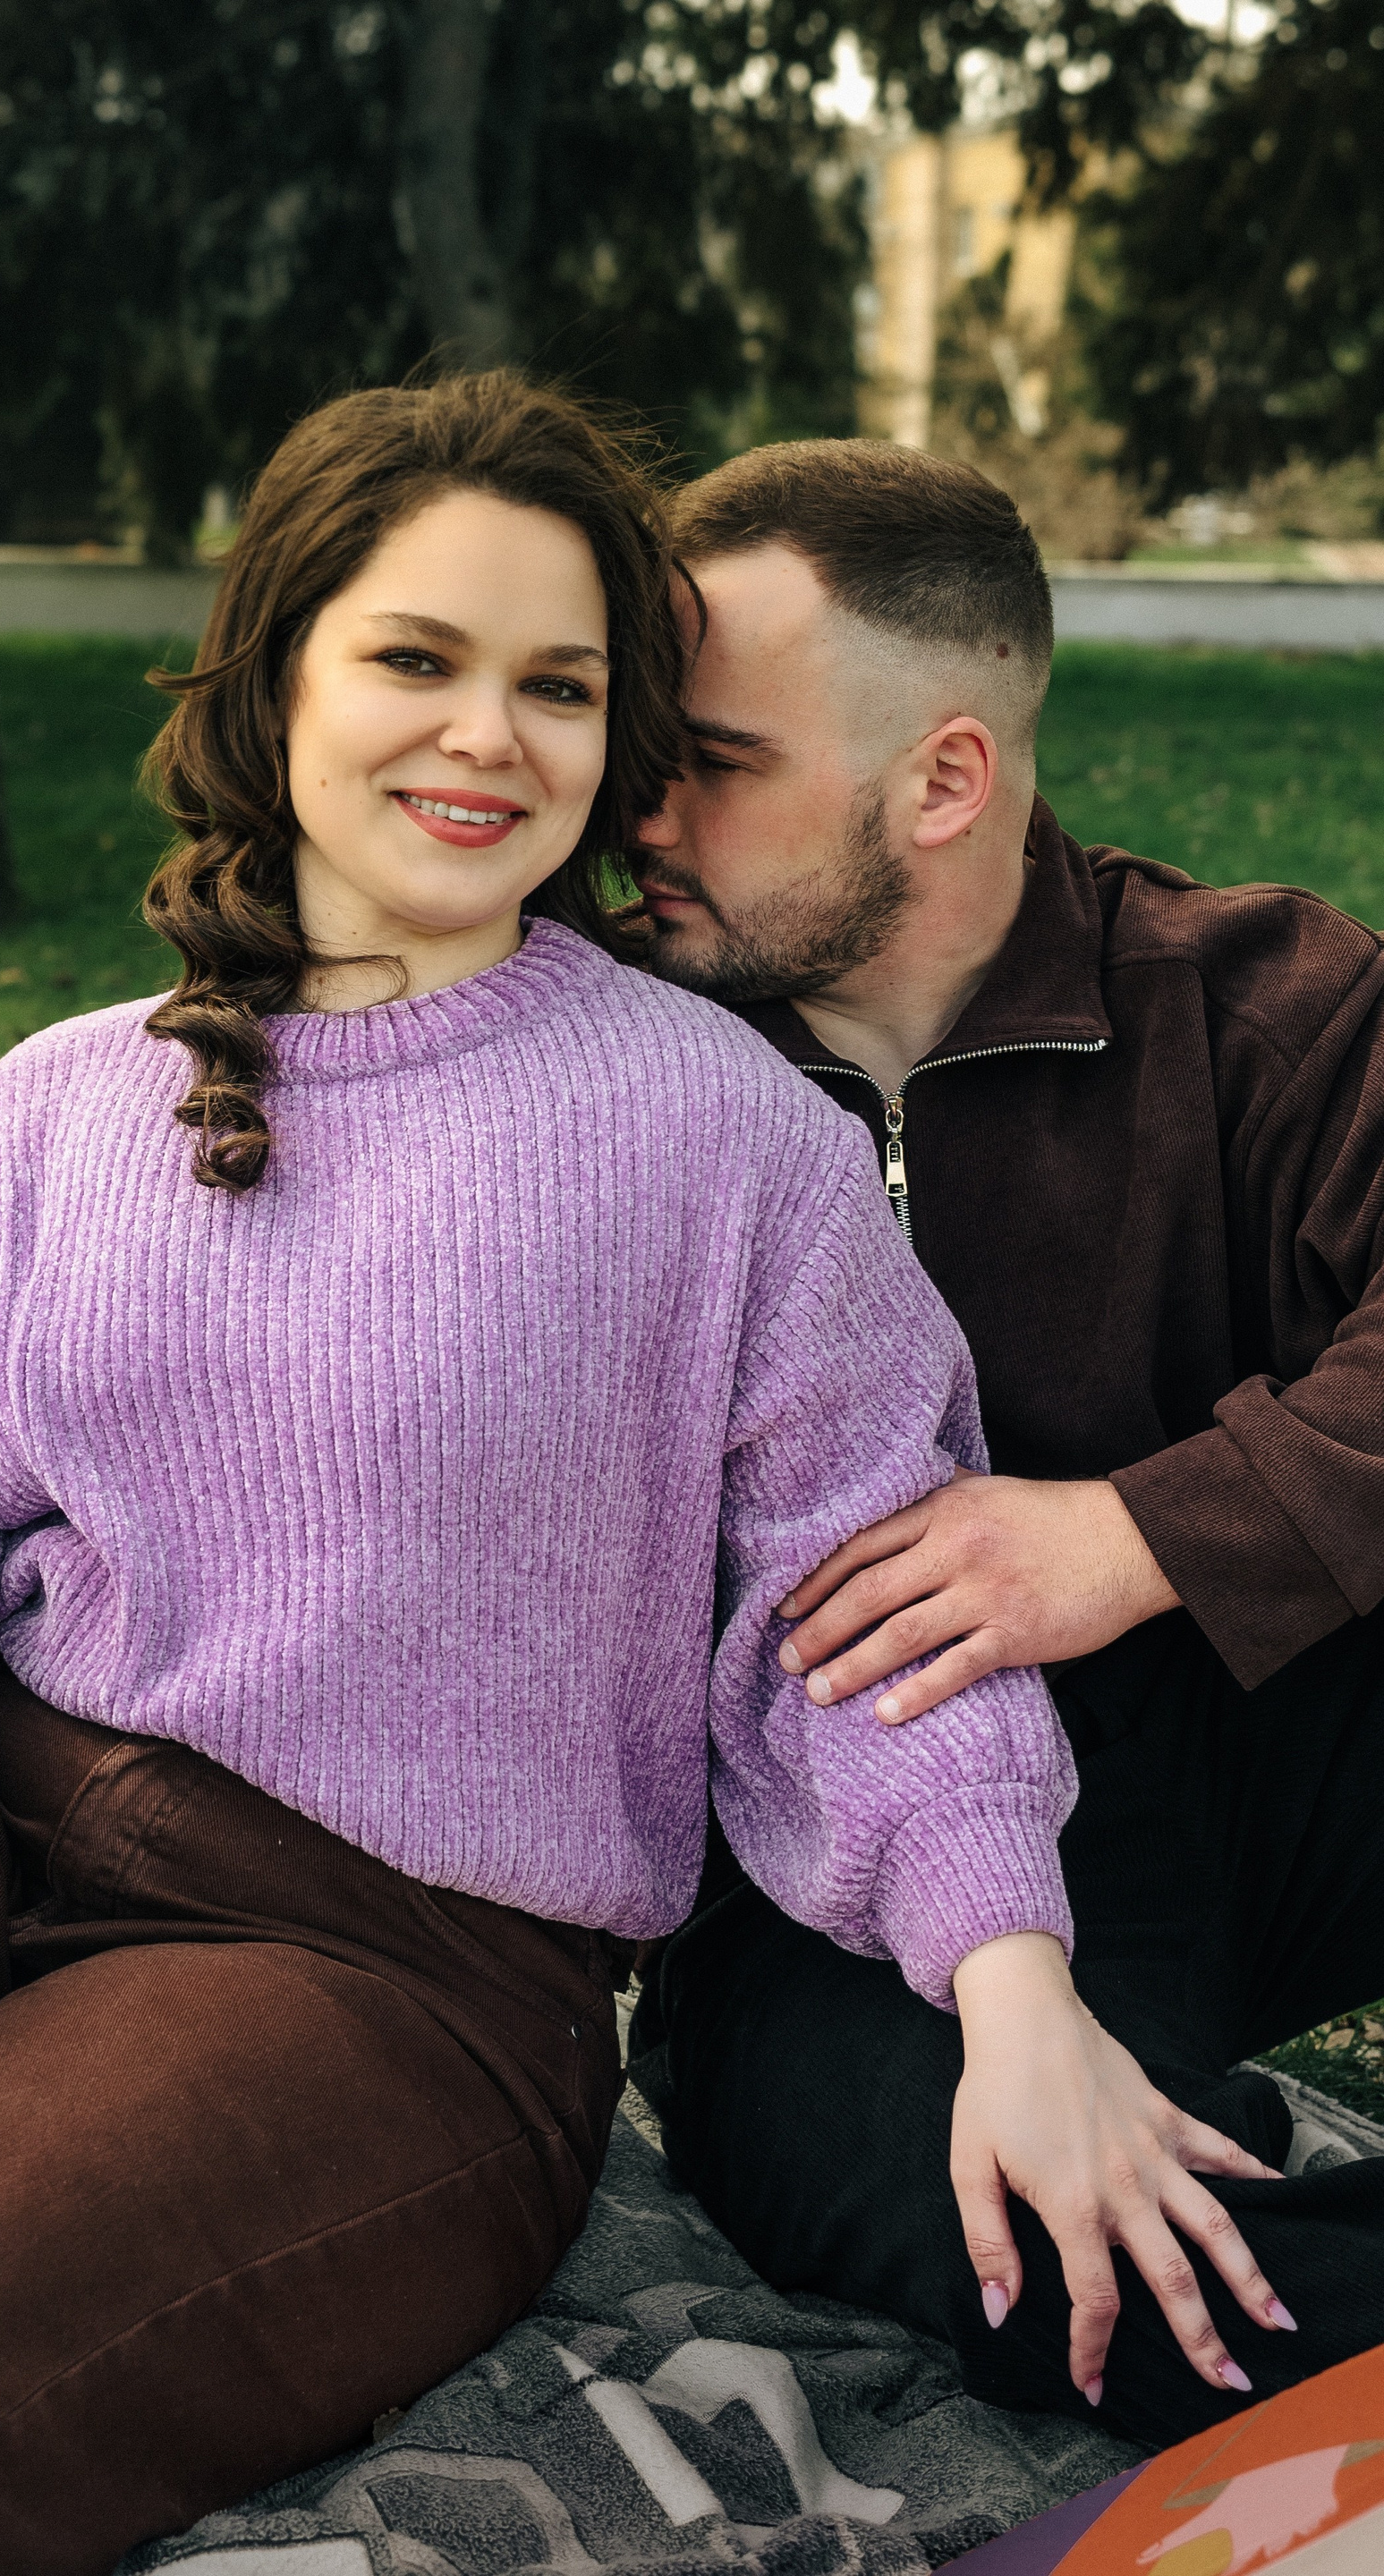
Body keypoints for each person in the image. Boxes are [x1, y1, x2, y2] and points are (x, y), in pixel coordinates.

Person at [0, 375, 1128, 2576]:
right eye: (418, 658)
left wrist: (1016, 1992)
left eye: (560, 686)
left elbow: (865, 1615)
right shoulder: (58, 1105)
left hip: (379, 1986)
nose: (488, 737)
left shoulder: (724, 1142)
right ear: (279, 679)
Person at [623, 433, 1384, 2453]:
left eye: (711, 760)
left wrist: (1136, 1536)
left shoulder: (1257, 1003)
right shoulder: (599, 1061)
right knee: (1067, 2274)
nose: (641, 814)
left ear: (943, 778)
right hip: (821, 1865)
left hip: (1248, 1726)